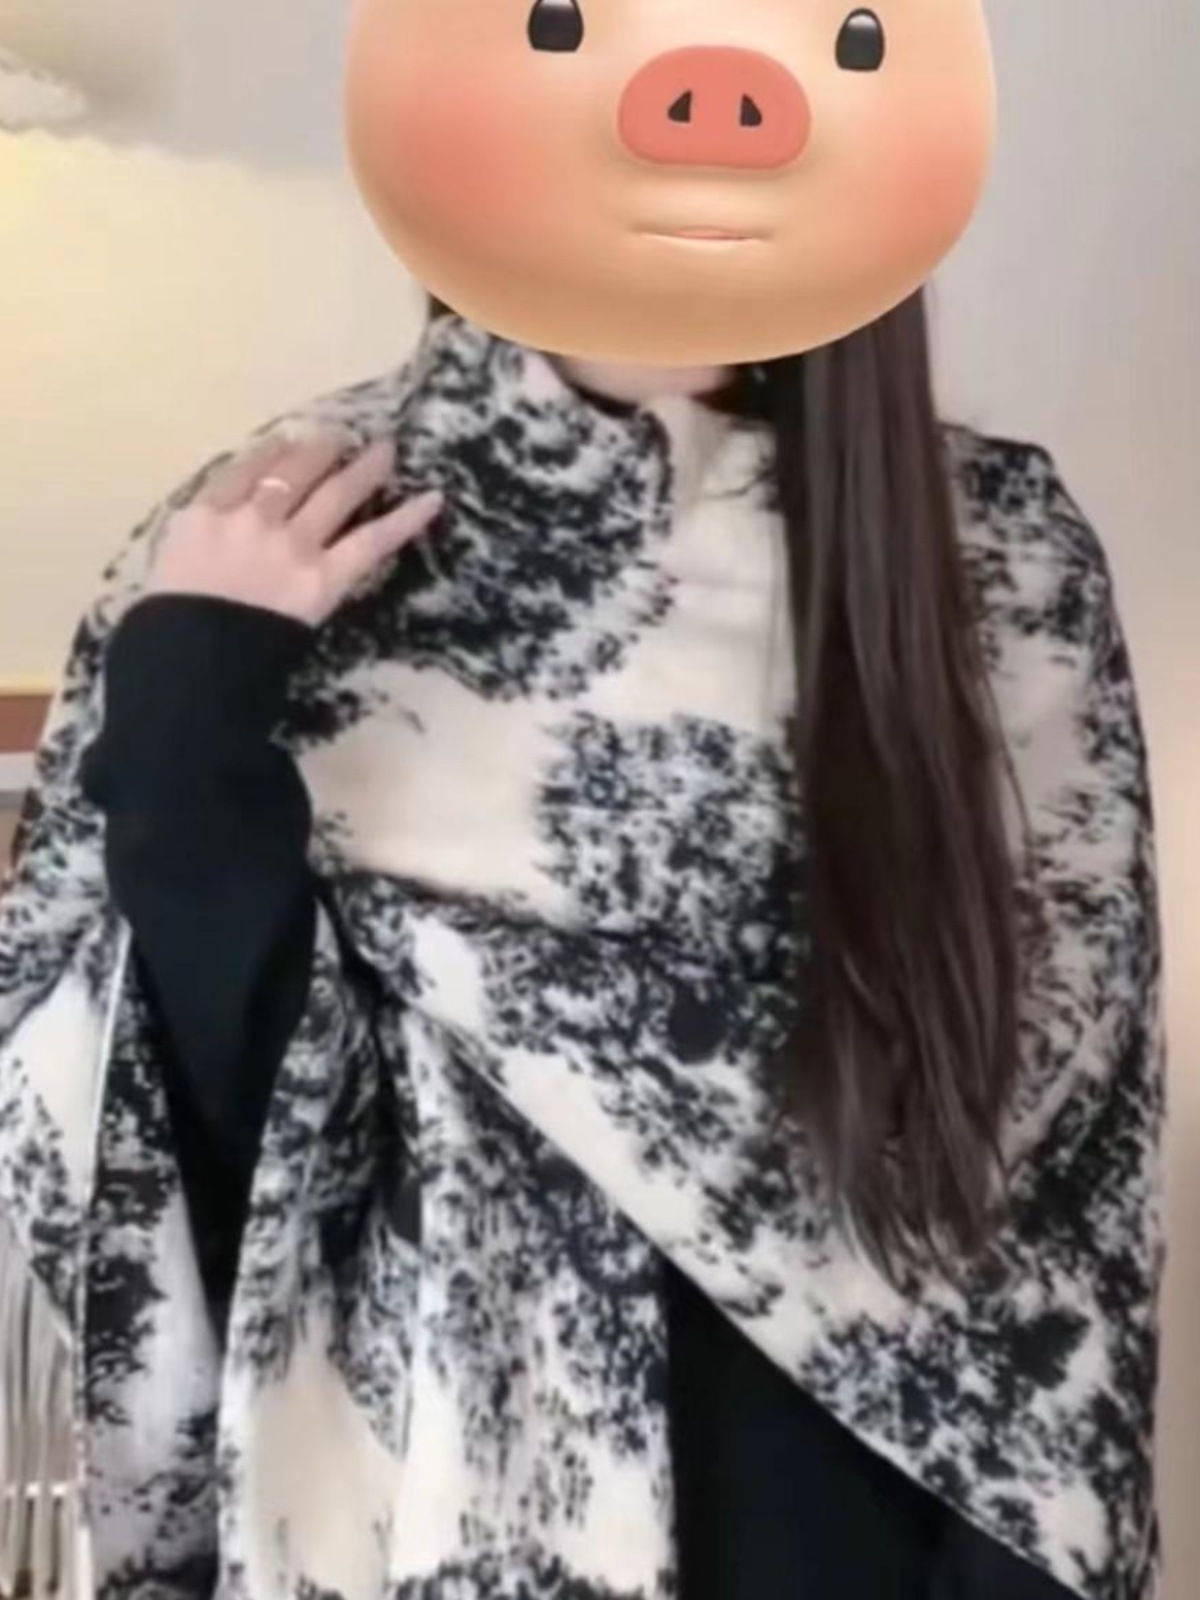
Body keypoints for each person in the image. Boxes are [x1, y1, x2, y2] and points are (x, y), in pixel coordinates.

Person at [0, 287, 1163, 1600]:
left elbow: (1065, 1167)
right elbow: (202, 1136)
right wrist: (189, 710)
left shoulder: (994, 548)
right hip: (433, 1515)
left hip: (863, 1536)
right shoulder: (289, 526)